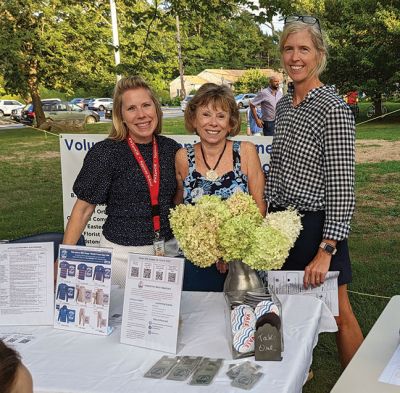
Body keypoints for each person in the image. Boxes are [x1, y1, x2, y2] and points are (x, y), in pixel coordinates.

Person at [265, 15, 363, 368]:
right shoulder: (283, 106)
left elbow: (342, 186)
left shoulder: (333, 108)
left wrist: (326, 249)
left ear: (318, 53)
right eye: (288, 49)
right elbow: (276, 171)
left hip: (317, 228)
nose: (295, 57)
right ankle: (294, 380)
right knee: (284, 310)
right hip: (280, 226)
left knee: (339, 314)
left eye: (303, 48)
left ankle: (360, 386)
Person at [62, 76, 180, 287]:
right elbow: (82, 211)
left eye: (146, 105)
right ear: (121, 116)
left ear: (156, 109)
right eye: (131, 108)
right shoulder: (106, 153)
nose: (141, 114)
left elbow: (178, 203)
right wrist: (64, 261)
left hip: (166, 255)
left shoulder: (171, 149)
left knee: (164, 320)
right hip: (122, 259)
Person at [175, 83, 266, 291]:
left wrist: (231, 251)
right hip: (199, 263)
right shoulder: (182, 157)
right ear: (194, 119)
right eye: (206, 114)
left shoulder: (246, 152)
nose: (213, 123)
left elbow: (260, 207)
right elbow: (181, 208)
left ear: (231, 121)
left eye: (221, 116)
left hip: (240, 263)